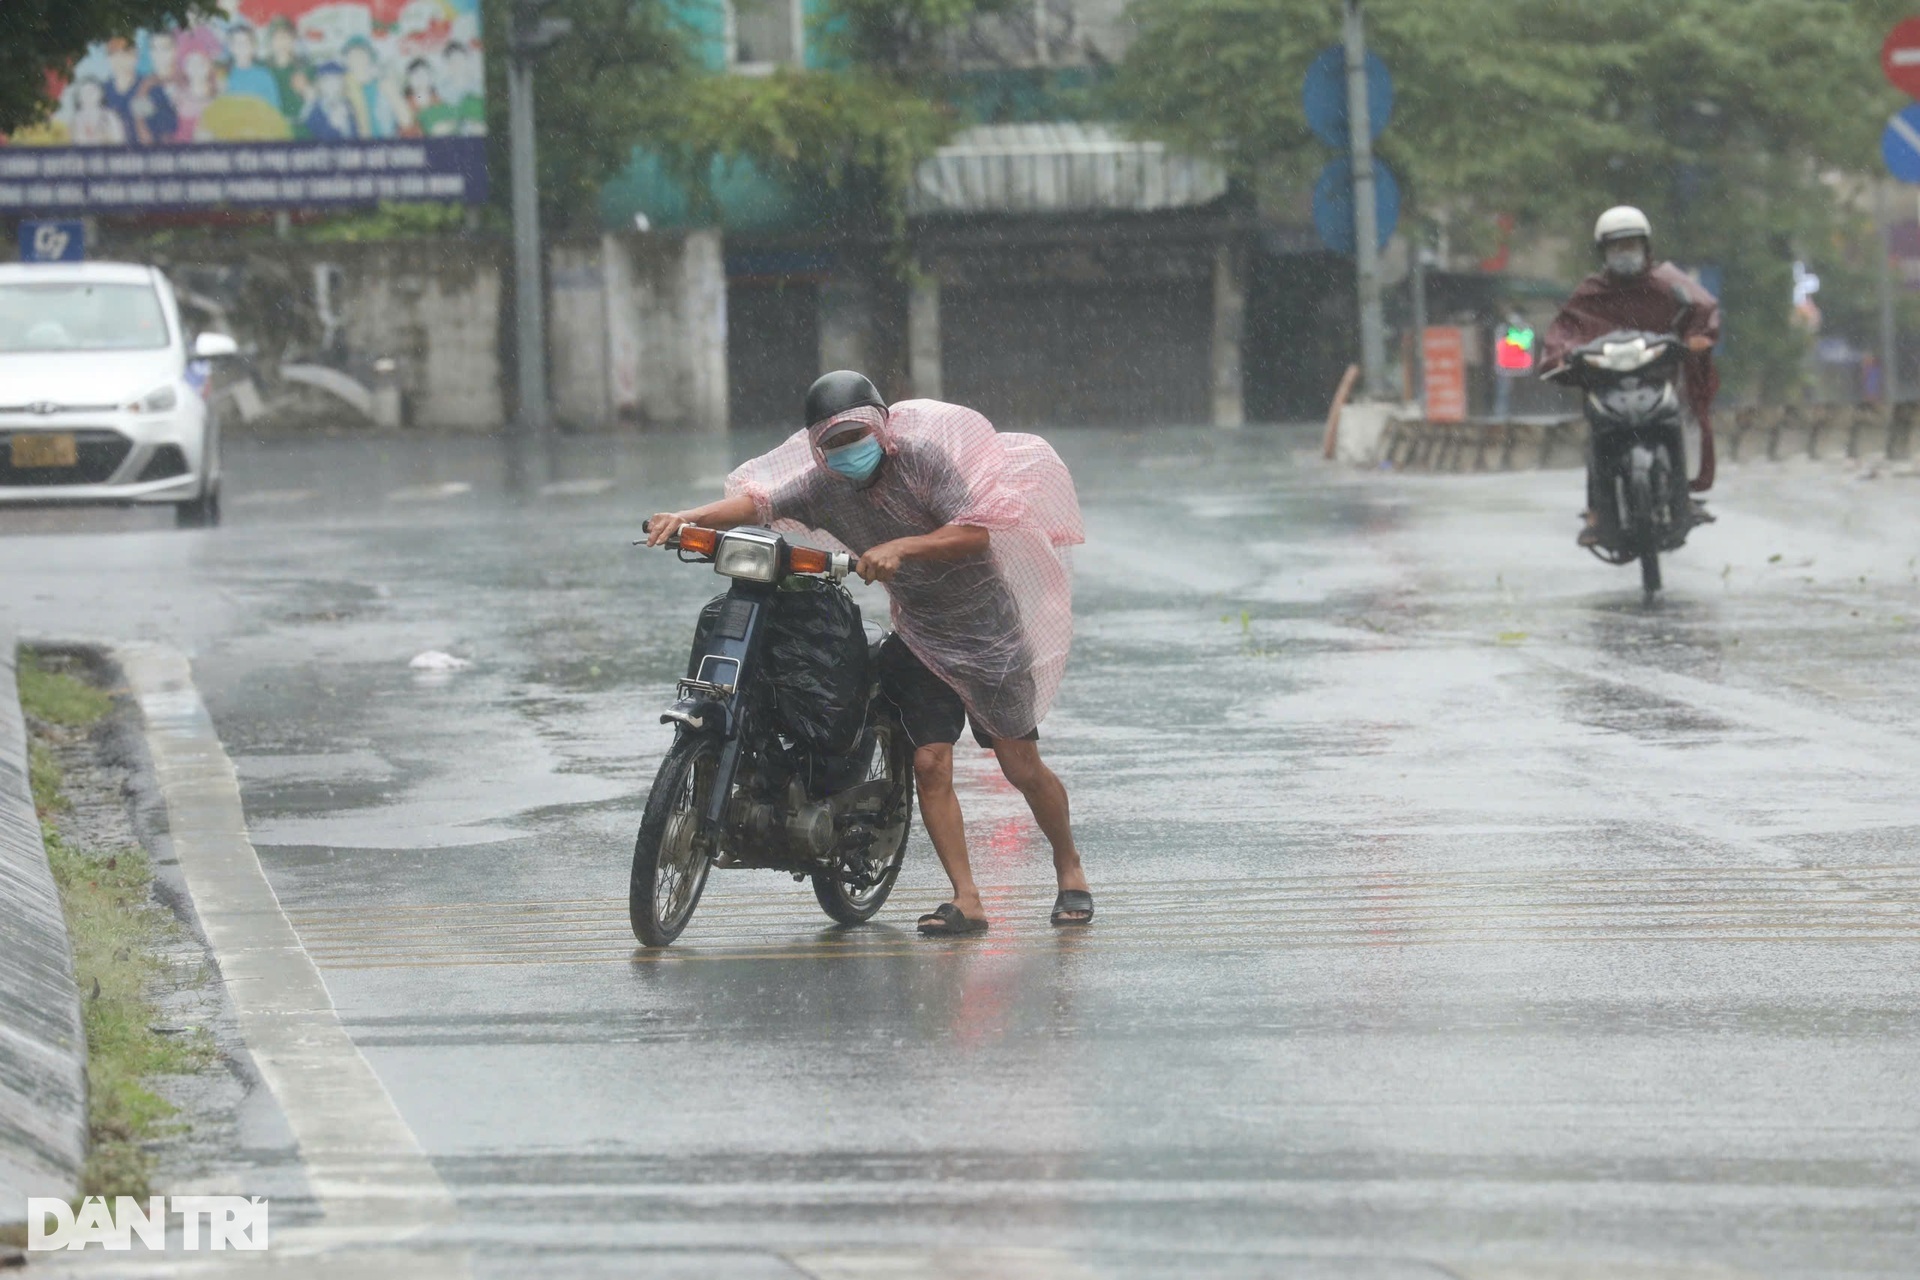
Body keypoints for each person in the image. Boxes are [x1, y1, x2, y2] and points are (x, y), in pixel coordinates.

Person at [645, 372, 1093, 935]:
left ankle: (1069, 865)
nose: (847, 450)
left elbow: (975, 533)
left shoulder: (923, 462)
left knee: (1019, 765)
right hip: (923, 637)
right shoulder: (820, 486)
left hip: (988, 633)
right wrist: (684, 518)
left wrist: (904, 546)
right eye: (832, 442)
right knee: (930, 764)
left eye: (856, 435)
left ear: (882, 428)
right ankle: (967, 899)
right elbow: (756, 504)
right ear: (816, 448)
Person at [1541, 206, 1720, 549]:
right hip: (1605, 385)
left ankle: (1681, 497)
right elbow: (1565, 331)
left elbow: (1703, 309)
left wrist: (1695, 337)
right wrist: (1562, 356)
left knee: (1678, 422)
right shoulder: (1590, 293)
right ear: (1604, 253)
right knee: (1596, 437)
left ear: (1646, 248)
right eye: (1617, 248)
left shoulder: (1669, 282)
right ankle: (1597, 511)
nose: (1625, 254)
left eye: (1631, 246)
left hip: (1656, 380)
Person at [220, 25, 282, 112]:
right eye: (237, 42)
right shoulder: (224, 76)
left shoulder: (264, 75)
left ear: (253, 47)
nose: (242, 46)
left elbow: (274, 107)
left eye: (246, 42)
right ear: (230, 47)